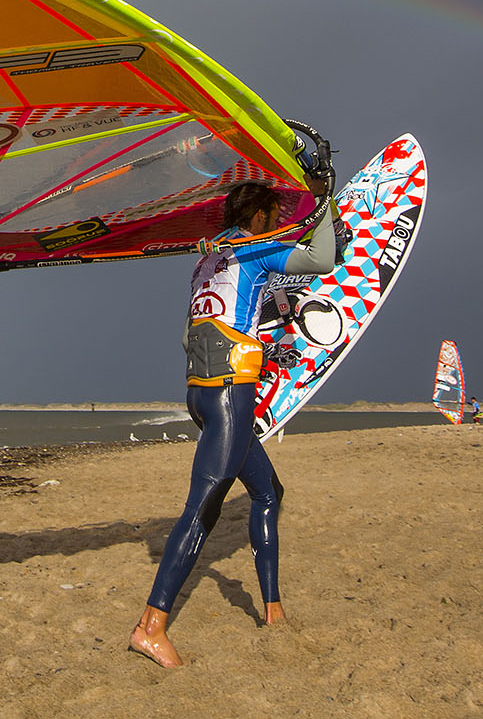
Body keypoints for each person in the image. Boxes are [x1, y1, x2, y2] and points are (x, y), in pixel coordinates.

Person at [130, 181, 338, 668]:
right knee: (201, 512)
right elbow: (323, 259)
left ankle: (273, 611)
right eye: (274, 213)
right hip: (228, 396)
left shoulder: (205, 263)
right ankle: (149, 627)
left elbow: (187, 337)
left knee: (268, 492)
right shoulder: (256, 251)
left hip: (200, 396)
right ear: (262, 215)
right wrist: (323, 207)